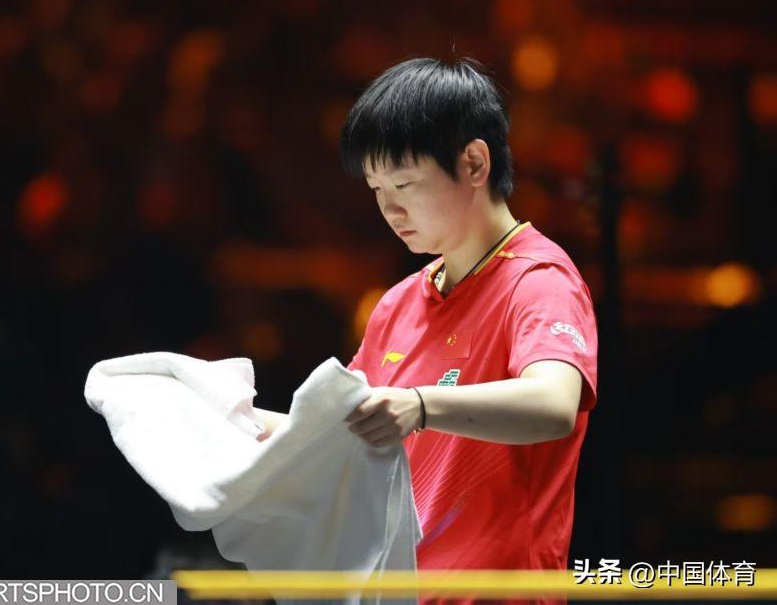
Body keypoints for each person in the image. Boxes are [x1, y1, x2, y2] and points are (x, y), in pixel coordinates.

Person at [255, 57, 598, 604]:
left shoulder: (539, 281)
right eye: (376, 188)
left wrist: (419, 405)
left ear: (474, 163)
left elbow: (554, 405)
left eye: (405, 183)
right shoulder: (397, 304)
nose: (389, 208)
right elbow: (347, 431)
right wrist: (238, 422)